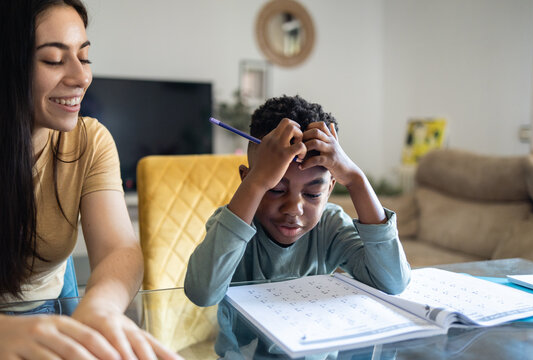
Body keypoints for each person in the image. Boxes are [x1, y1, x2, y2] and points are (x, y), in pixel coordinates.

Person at [0, 1, 181, 359]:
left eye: (84, 57)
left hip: (46, 306)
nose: (81, 77)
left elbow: (119, 250)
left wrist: (100, 307)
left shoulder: (90, 140)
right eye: (54, 59)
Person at [185, 95, 411, 357]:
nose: (294, 209)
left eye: (313, 194)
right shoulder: (231, 223)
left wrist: (355, 179)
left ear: (329, 189)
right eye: (275, 188)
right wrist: (257, 184)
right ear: (247, 180)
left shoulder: (331, 225)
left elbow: (393, 282)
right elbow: (201, 293)